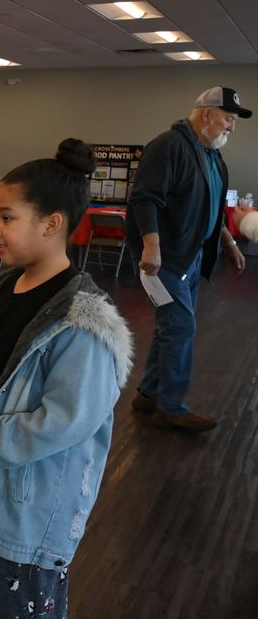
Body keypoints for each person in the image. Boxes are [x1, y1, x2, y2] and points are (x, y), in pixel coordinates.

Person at [0, 139, 132, 619]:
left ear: (51, 223)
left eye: (6, 217)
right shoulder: (1, 288)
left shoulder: (81, 323)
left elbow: (62, 422)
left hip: (30, 511)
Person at [127, 86, 248, 432]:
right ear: (206, 114)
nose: (231, 126)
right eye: (228, 118)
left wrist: (228, 242)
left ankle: (149, 393)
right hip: (164, 260)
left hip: (191, 256)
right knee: (181, 326)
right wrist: (151, 246)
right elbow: (143, 199)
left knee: (172, 326)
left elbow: (212, 207)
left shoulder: (212, 155)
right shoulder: (168, 146)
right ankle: (172, 407)